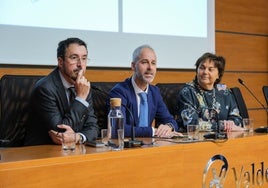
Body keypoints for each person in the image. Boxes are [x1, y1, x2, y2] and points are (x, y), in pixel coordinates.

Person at [24, 37, 99, 146]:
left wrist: (78, 137)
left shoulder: (83, 86)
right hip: (42, 152)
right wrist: (80, 99)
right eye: (74, 58)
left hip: (71, 149)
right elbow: (61, 132)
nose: (80, 64)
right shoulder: (45, 88)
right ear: (60, 62)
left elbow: (94, 127)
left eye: (84, 58)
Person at [107, 44, 182, 138]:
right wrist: (152, 131)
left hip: (149, 146)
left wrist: (168, 126)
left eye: (153, 63)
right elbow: (117, 128)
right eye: (144, 62)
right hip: (125, 147)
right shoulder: (119, 92)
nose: (150, 67)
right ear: (133, 66)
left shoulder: (154, 92)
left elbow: (170, 120)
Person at [176, 52, 243, 132]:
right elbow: (192, 123)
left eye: (210, 69)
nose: (205, 72)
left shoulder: (224, 91)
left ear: (218, 74)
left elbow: (237, 117)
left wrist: (231, 123)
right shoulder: (187, 92)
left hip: (224, 139)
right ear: (197, 70)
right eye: (202, 68)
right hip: (195, 140)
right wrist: (222, 126)